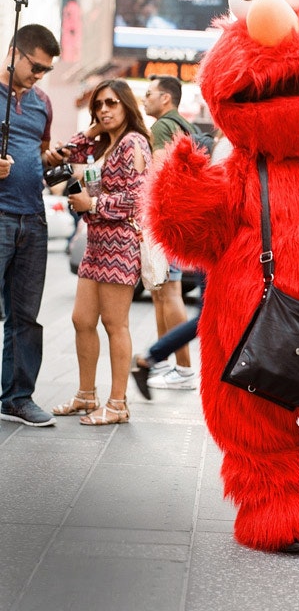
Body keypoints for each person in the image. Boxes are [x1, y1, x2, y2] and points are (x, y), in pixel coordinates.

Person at [52, 79, 153, 425]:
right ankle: (85, 395)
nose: (104, 109)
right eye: (98, 105)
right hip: (96, 243)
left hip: (120, 244)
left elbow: (138, 199)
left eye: (111, 103)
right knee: (81, 320)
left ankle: (118, 403)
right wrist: (93, 128)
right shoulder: (105, 144)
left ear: (127, 104)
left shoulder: (133, 143)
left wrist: (92, 202)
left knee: (115, 324)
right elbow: (70, 153)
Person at [0, 24, 61, 427]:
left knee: (26, 316)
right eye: (35, 66)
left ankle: (17, 398)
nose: (39, 75)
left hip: (33, 219)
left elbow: (39, 154)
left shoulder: (42, 104)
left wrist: (54, 160)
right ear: (13, 52)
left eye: (46, 70)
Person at [141, 75, 197, 390]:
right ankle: (166, 365)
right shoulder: (184, 126)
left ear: (166, 98)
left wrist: (149, 216)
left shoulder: (162, 126)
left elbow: (158, 172)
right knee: (163, 291)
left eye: (149, 93)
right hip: (182, 216)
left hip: (167, 217)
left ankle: (184, 369)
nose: (145, 99)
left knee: (169, 290)